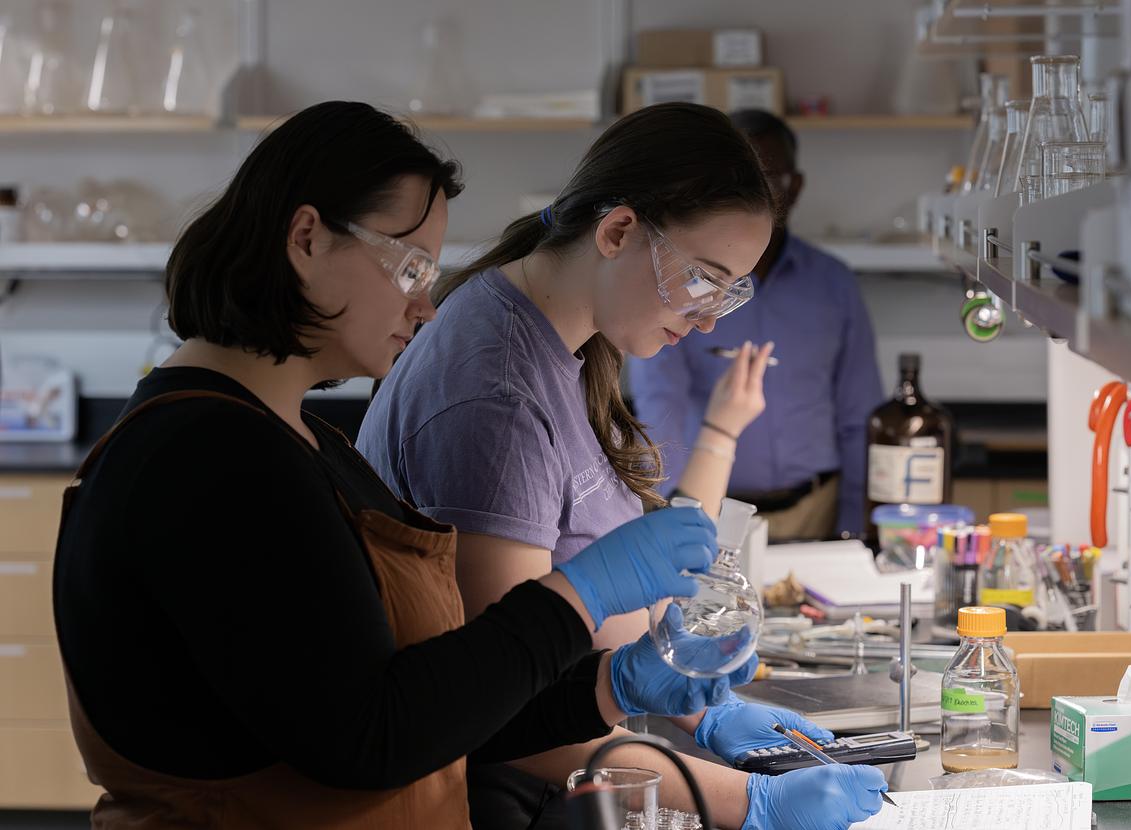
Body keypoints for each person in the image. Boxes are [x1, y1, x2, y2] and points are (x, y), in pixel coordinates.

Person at [51, 101, 762, 829]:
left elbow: (444, 713)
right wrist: (580, 595)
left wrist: (613, 686)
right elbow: (370, 739)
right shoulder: (207, 458)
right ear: (307, 238)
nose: (425, 306)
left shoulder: (297, 440)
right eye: (410, 267)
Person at [357, 102, 888, 830]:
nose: (709, 318)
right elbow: (509, 715)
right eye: (702, 279)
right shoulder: (494, 395)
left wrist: (705, 709)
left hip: (576, 758)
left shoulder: (569, 343)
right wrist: (748, 802)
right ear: (617, 232)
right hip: (504, 796)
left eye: (731, 292)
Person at [628, 108, 884, 542]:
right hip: (710, 507)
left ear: (794, 187)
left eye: (768, 180)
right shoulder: (678, 285)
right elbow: (660, 405)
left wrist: (855, 525)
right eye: (735, 183)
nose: (752, 197)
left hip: (814, 510)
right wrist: (671, 516)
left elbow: (859, 415)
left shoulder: (834, 285)